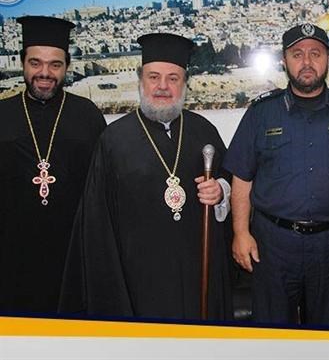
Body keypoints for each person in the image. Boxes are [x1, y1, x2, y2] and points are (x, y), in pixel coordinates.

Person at [59, 33, 233, 320]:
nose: (163, 86)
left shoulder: (203, 131)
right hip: (138, 279)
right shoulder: (114, 140)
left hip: (197, 271)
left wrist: (221, 191)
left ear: (185, 84)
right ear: (141, 81)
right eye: (154, 77)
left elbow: (229, 178)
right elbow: (97, 222)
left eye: (173, 78)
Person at [223, 23, 329, 326]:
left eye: (315, 53)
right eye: (297, 54)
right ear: (284, 61)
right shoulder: (261, 113)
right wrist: (241, 233)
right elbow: (242, 178)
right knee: (273, 335)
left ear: (328, 59)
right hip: (274, 245)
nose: (307, 62)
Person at [0, 16, 106, 314]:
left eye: (55, 65)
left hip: (74, 258)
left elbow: (103, 189)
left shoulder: (87, 115)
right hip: (10, 259)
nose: (44, 73)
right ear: (22, 63)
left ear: (66, 66)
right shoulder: (3, 114)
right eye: (35, 63)